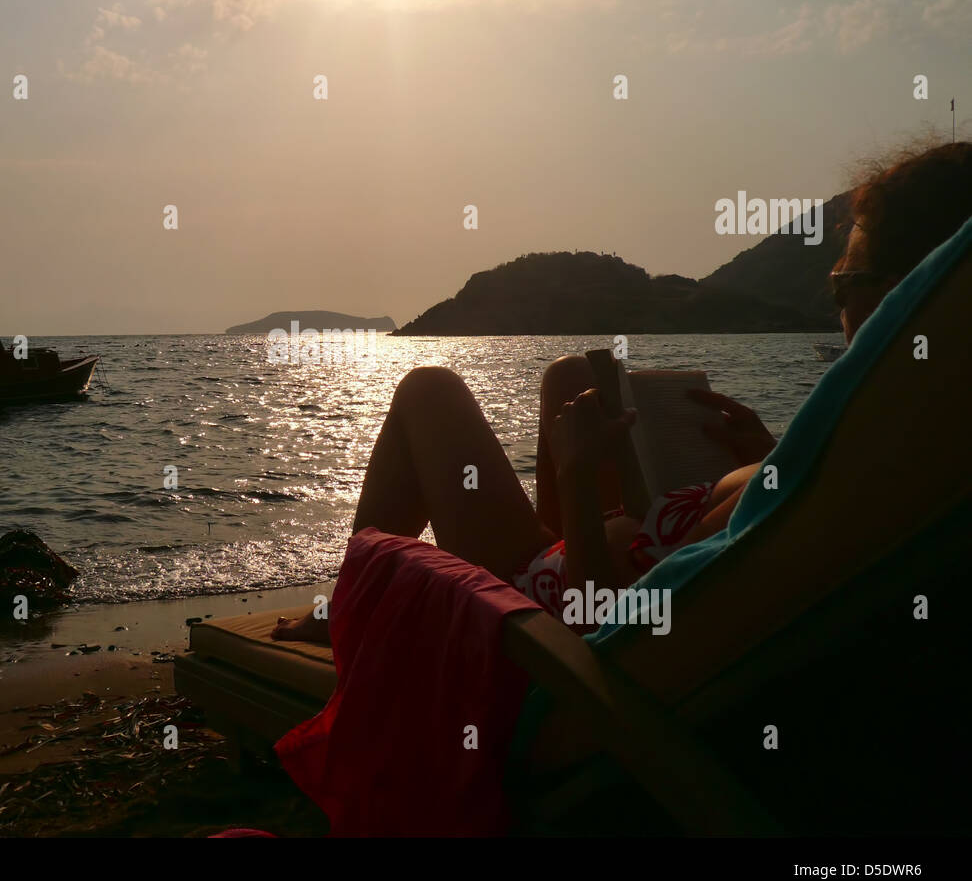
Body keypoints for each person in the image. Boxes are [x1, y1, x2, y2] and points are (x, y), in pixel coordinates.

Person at [273, 141, 972, 643]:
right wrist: (771, 456)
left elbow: (602, 624)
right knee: (574, 378)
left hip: (543, 611)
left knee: (429, 390)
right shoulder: (893, 437)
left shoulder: (857, 456)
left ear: (898, 295)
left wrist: (579, 477)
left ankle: (345, 614)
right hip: (608, 557)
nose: (834, 302)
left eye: (843, 284)